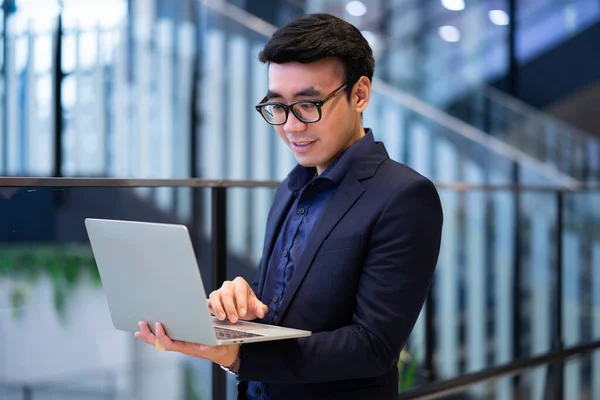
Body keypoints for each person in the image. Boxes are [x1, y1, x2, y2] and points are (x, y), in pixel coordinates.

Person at [135, 12, 443, 400]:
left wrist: (239, 356)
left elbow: (374, 346)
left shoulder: (404, 196)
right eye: (277, 106)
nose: (292, 126)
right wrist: (244, 304)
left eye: (309, 104)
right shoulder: (292, 187)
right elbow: (286, 305)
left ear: (360, 94)